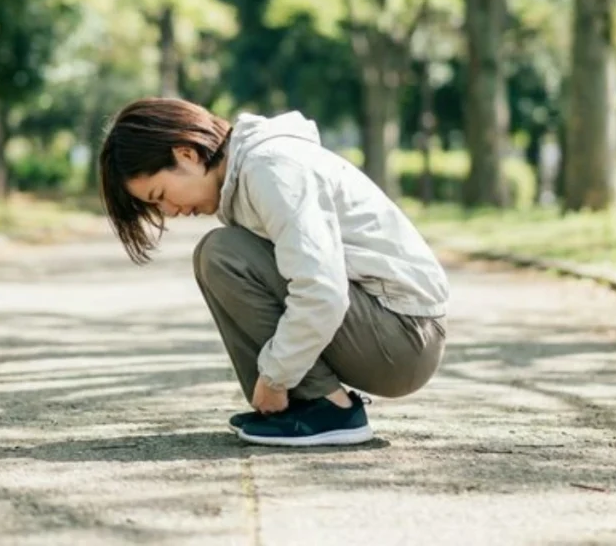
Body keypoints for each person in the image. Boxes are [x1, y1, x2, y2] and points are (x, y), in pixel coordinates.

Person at [97, 97, 449, 447]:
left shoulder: (271, 168)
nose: (169, 211)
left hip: (402, 339)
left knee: (222, 255)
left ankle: (329, 408)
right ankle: (302, 407)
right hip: (388, 334)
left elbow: (322, 290)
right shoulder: (249, 174)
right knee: (221, 252)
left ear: (186, 154)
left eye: (160, 195)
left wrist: (275, 377)